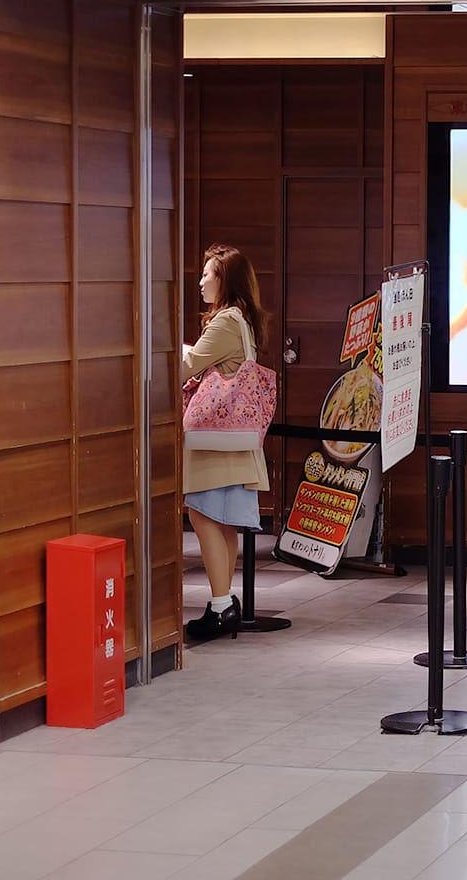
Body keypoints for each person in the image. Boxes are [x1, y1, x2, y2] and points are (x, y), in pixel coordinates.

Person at [181, 243, 271, 641]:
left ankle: (220, 607)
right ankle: (223, 602)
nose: (200, 281)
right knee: (222, 522)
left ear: (224, 280)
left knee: (202, 515)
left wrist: (174, 349)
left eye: (207, 274)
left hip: (216, 442)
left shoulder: (224, 322)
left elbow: (188, 365)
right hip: (234, 440)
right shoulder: (243, 320)